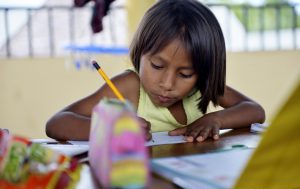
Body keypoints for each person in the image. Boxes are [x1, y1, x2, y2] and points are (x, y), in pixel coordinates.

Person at [46, 0, 265, 142]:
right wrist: (114, 129)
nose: (167, 83)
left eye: (185, 74)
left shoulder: (200, 86)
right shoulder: (130, 87)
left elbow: (255, 111)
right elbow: (57, 123)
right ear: (140, 53)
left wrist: (216, 119)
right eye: (158, 66)